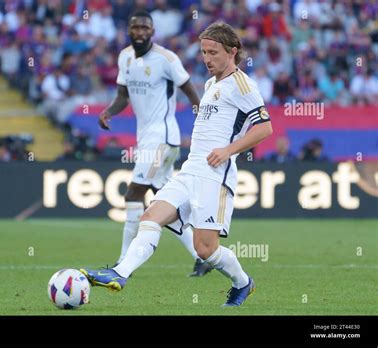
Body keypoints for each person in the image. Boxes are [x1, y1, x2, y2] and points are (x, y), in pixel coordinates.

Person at [82, 22, 273, 307]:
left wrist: (228, 150)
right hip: (190, 170)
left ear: (232, 52)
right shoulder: (211, 84)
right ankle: (119, 274)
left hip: (214, 176)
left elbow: (265, 128)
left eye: (213, 52)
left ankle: (243, 283)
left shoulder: (242, 85)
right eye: (204, 52)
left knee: (205, 249)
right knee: (150, 217)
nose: (207, 59)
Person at [96, 11, 212, 277]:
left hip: (162, 137)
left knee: (134, 194)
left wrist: (202, 120)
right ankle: (202, 256)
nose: (140, 32)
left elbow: (190, 91)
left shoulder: (166, 59)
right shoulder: (124, 57)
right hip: (147, 137)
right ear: (129, 30)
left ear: (152, 31)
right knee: (166, 203)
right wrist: (109, 112)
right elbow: (123, 96)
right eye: (135, 27)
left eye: (145, 28)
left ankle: (123, 264)